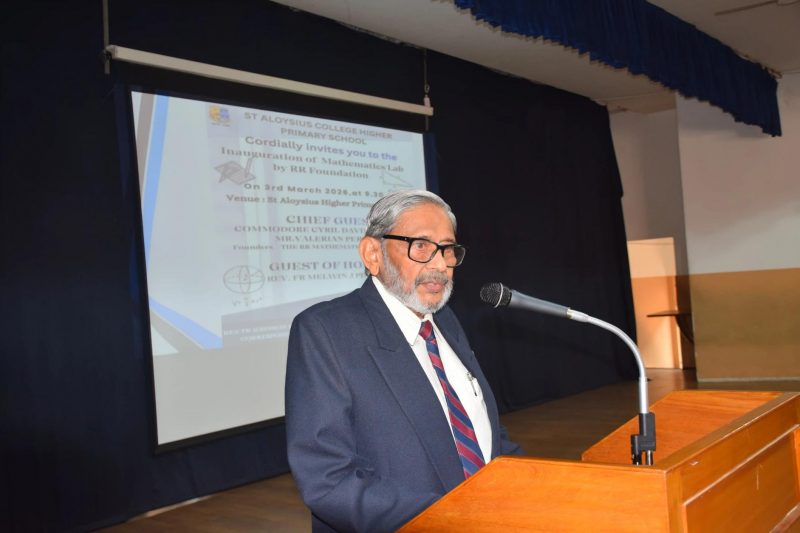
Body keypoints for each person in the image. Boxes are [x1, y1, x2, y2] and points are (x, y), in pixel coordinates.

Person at [285, 189, 522, 532]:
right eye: (421, 246)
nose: (440, 265)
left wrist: (529, 486)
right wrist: (452, 518)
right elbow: (328, 479)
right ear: (372, 254)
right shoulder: (326, 331)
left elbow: (485, 431)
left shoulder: (445, 320)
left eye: (447, 249)